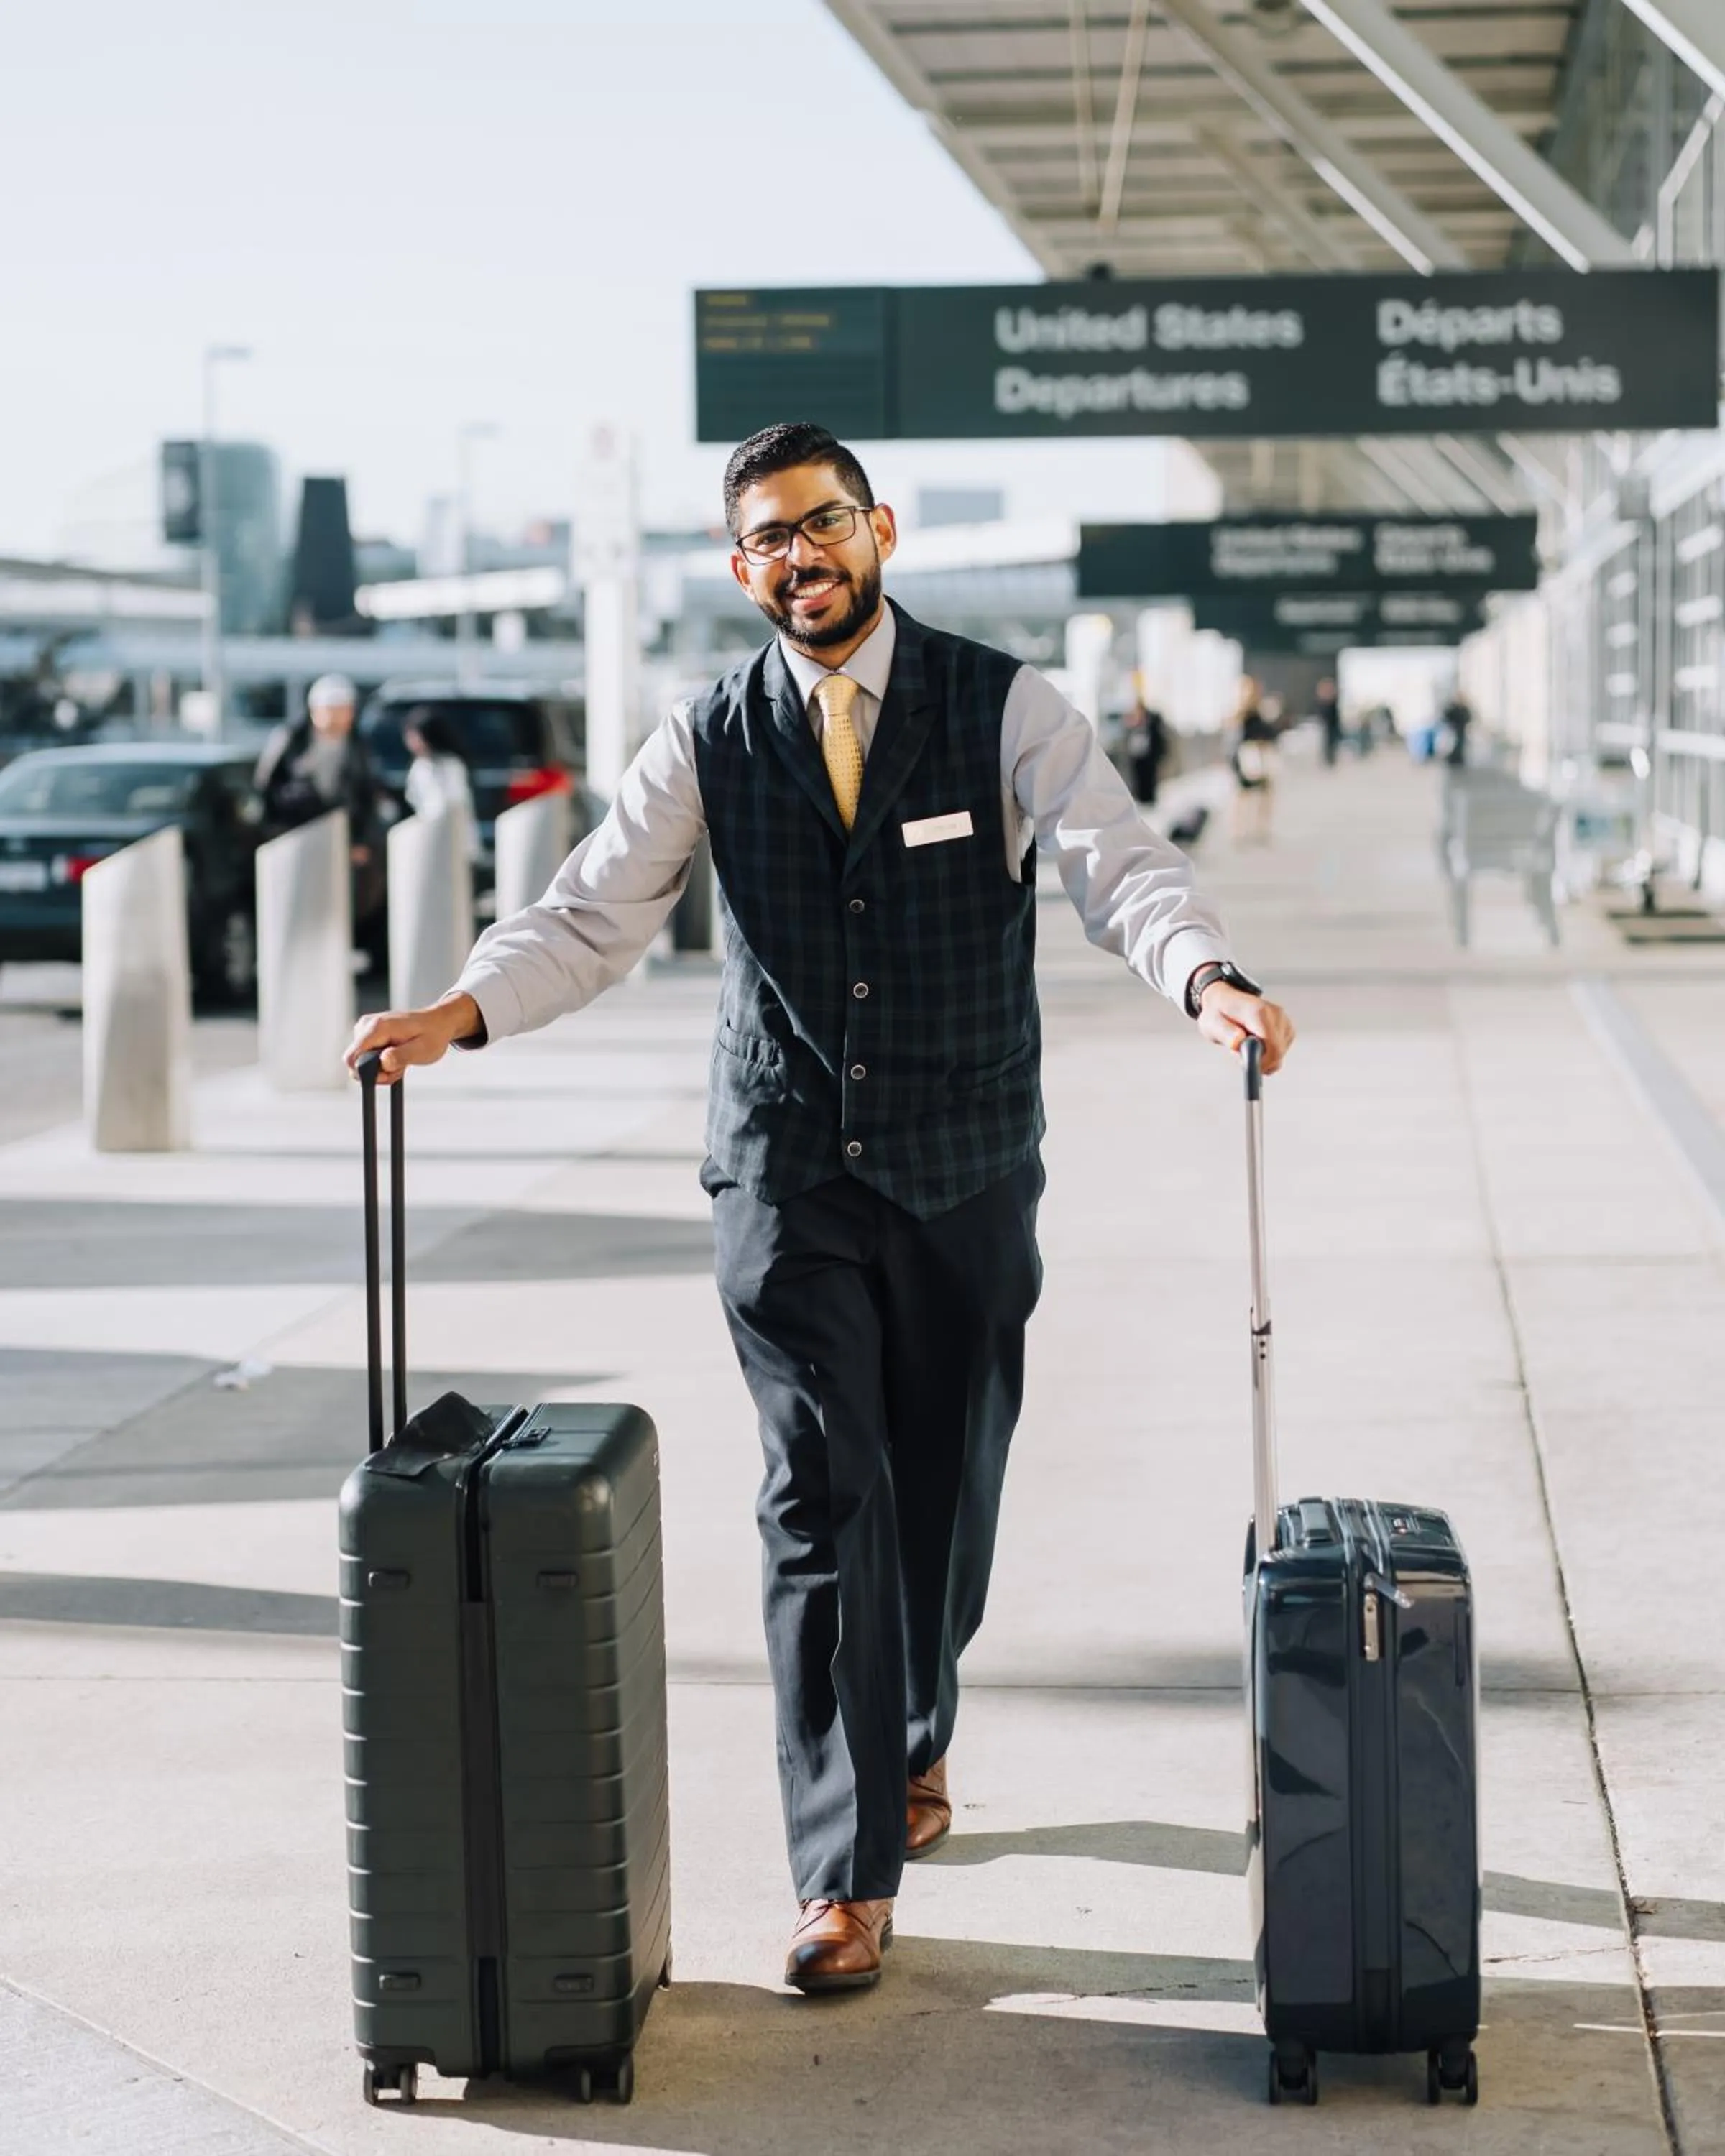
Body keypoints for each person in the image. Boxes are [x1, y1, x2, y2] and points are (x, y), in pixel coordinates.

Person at [345, 422, 1295, 1997]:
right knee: (819, 1500)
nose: (802, 555)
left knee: (944, 1493)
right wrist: (459, 1012)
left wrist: (1205, 978)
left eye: (824, 524)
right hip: (786, 1175)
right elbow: (593, 911)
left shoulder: (1007, 707)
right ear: (740, 570)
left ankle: (916, 1731)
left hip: (967, 1164)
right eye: (770, 539)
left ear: (882, 531)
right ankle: (840, 1875)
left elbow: (1117, 866)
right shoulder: (708, 736)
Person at [255, 673, 387, 958]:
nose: (342, 719)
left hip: (341, 837)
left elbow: (366, 794)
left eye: (347, 711)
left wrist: (362, 839)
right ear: (316, 711)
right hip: (296, 835)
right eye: (335, 711)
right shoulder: (291, 739)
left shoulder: (357, 744)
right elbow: (267, 789)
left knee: (342, 896)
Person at [402, 708, 479, 858]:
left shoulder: (451, 766)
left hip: (452, 836)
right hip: (428, 836)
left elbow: (453, 802)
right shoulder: (419, 766)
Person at [1228, 676, 1278, 846]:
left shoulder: (1262, 709)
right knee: (1244, 795)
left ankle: (1260, 828)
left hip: (1261, 756)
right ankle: (1240, 830)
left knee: (1265, 794)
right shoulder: (1242, 712)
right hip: (1248, 757)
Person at [1121, 692, 1168, 806]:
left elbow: (1158, 735)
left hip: (1149, 753)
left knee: (1150, 777)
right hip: (1137, 754)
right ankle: (1141, 798)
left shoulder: (1152, 718)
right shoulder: (1133, 718)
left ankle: (1150, 799)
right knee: (1138, 776)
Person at [1313, 676, 1343, 769]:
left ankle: (1331, 761)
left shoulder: (1333, 703)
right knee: (1326, 745)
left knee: (1332, 745)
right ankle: (1328, 761)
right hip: (1325, 728)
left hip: (1332, 728)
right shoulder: (1322, 704)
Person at [1441, 692, 1473, 768]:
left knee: (1460, 744)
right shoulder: (1453, 707)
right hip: (1453, 729)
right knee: (1452, 744)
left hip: (1461, 729)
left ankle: (1458, 759)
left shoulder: (1464, 708)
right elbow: (1447, 716)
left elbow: (1468, 717)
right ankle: (1453, 759)